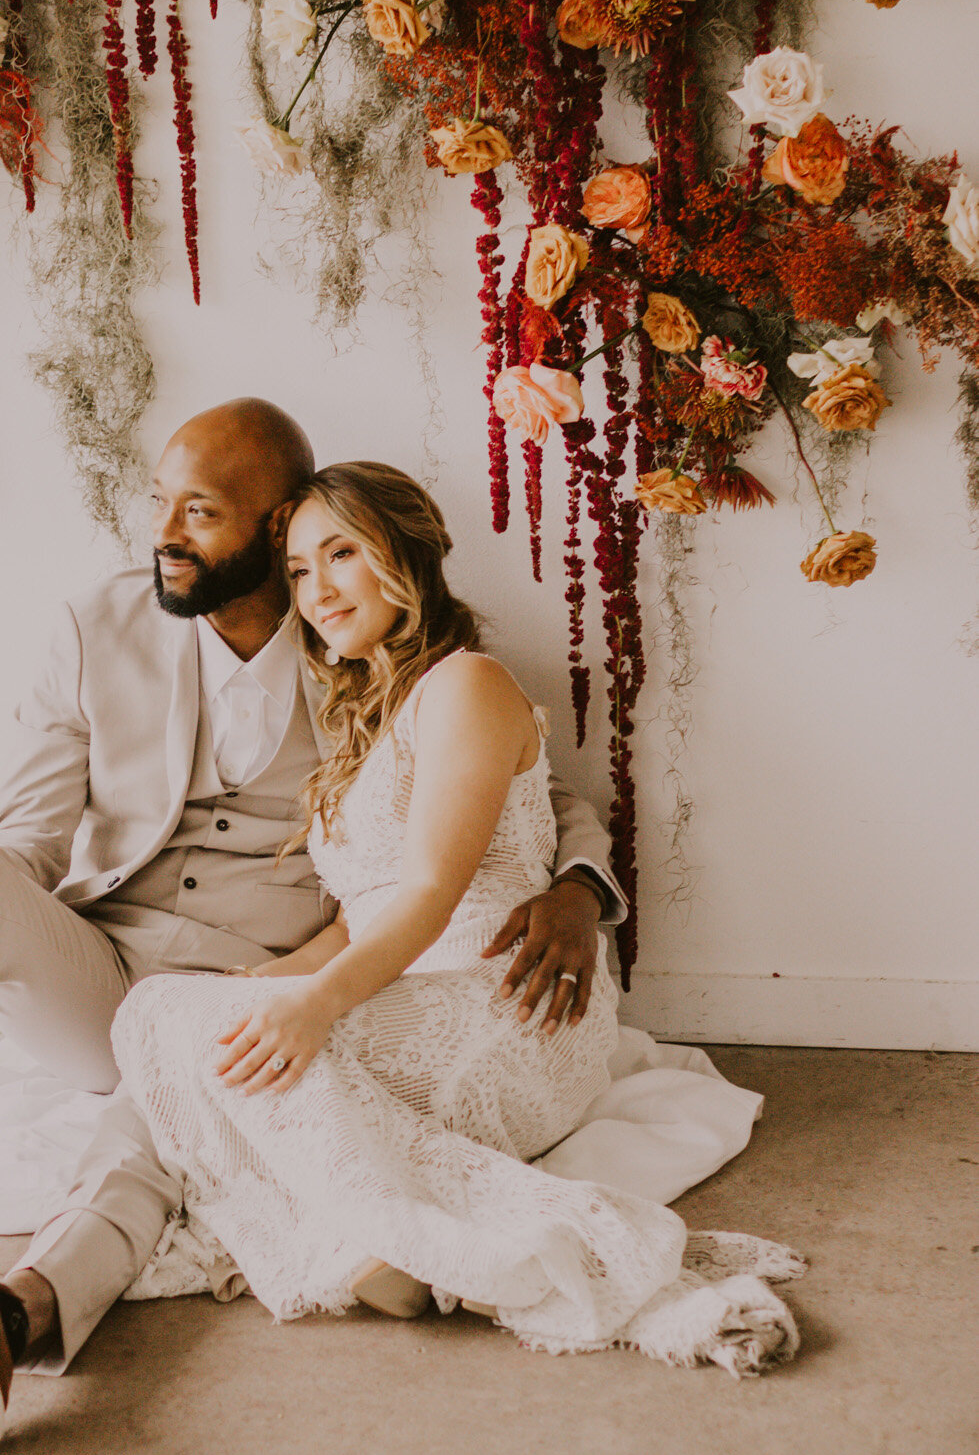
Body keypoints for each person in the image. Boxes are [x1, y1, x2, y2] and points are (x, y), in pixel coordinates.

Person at [0, 403, 626, 1451]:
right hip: (102, 965)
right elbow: (28, 840)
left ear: (275, 521)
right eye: (160, 502)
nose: (164, 533)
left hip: (262, 977)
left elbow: (508, 781)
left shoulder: (358, 636)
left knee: (172, 1098)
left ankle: (11, 1319)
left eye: (200, 511)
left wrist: (576, 886)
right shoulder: (95, 627)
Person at [108, 463, 800, 1368]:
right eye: (300, 570)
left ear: (404, 553)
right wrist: (263, 986)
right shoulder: (361, 722)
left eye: (341, 555)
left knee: (187, 1036)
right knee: (176, 1015)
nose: (317, 591)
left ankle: (411, 1245)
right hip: (404, 983)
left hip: (507, 999)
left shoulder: (466, 684)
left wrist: (312, 1004)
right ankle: (379, 1249)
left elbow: (430, 893)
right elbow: (356, 920)